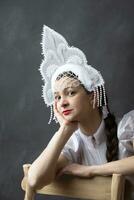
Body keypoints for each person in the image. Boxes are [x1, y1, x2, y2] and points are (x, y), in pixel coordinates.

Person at [27, 25, 134, 199]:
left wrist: (91, 170)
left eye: (70, 93)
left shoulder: (126, 127)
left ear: (92, 98)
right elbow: (33, 180)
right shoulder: (74, 144)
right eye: (58, 97)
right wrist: (64, 131)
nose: (63, 103)